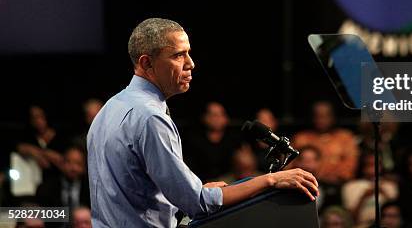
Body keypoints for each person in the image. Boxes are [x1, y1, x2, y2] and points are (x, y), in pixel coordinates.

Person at [87, 18, 318, 227]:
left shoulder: (110, 108)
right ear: (147, 63)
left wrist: (197, 191)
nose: (190, 64)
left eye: (188, 53)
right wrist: (270, 180)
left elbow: (132, 191)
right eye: (178, 55)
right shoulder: (150, 118)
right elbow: (198, 204)